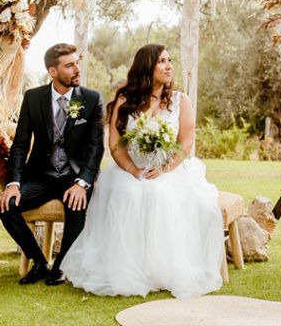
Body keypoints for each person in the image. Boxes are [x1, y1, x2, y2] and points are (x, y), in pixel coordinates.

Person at [61, 44, 224, 298]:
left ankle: (162, 269)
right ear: (147, 66)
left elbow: (186, 142)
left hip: (170, 169)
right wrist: (133, 170)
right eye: (162, 61)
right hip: (130, 168)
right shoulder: (125, 100)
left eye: (170, 61)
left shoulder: (181, 101)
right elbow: (115, 145)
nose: (169, 66)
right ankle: (126, 269)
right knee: (128, 193)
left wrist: (165, 168)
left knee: (159, 193)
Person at [0, 43, 105, 286]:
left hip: (73, 176)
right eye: (70, 65)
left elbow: (95, 148)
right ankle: (39, 261)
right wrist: (13, 183)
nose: (77, 69)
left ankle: (61, 266)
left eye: (77, 62)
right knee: (6, 206)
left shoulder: (91, 99)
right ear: (53, 72)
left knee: (77, 205)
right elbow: (20, 144)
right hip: (41, 177)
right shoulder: (33, 98)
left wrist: (83, 183)